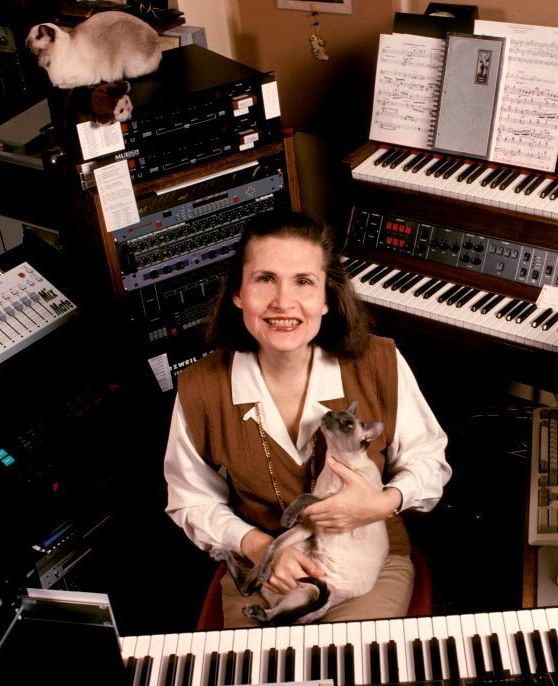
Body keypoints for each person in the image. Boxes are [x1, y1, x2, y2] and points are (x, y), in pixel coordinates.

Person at [164, 210, 451, 628]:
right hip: (267, 564)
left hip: (365, 569)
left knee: (347, 671)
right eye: (265, 279)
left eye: (303, 281)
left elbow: (429, 461)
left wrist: (381, 503)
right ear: (238, 293)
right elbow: (191, 499)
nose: (283, 302)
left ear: (327, 298)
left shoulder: (379, 361)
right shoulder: (200, 386)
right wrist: (261, 547)